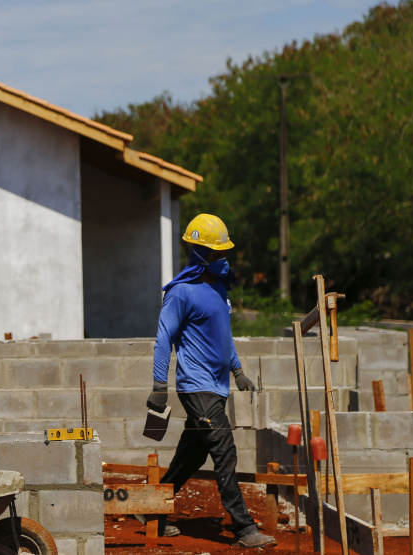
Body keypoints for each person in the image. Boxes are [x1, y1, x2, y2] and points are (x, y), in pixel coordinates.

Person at [145, 213, 276, 548]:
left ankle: (152, 511)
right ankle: (244, 528)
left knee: (193, 455)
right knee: (224, 452)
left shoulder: (219, 289)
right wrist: (160, 387)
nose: (223, 259)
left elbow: (224, 336)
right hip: (196, 386)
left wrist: (238, 372)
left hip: (217, 387)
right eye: (217, 254)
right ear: (199, 253)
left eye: (223, 253)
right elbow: (163, 339)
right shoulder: (180, 293)